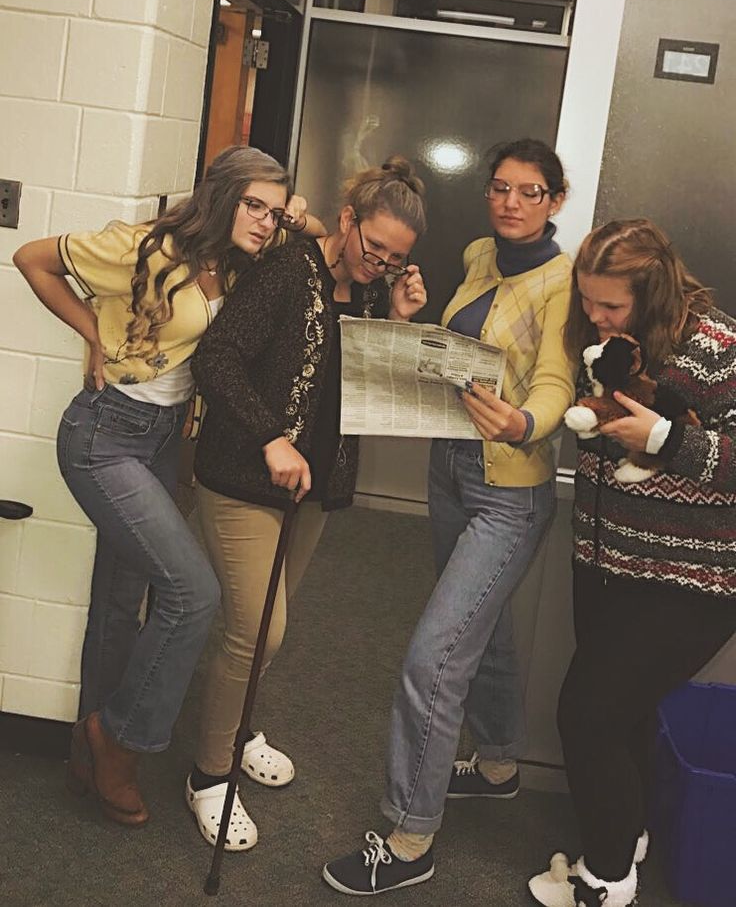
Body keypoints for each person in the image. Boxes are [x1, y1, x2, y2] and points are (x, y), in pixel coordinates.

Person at [12, 145, 321, 827]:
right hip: (105, 434)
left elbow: (318, 230)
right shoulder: (144, 247)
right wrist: (92, 331)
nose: (267, 222)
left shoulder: (243, 258)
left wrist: (295, 212)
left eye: (274, 211)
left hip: (163, 438)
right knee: (192, 592)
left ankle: (85, 748)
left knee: (124, 599)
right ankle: (120, 739)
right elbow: (31, 258)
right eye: (255, 206)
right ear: (221, 197)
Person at [323, 139, 576, 895]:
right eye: (501, 187)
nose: (509, 202)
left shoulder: (563, 282)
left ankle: (408, 838)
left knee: (434, 658)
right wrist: (412, 316)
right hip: (451, 466)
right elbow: (460, 344)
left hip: (510, 483)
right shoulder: (478, 255)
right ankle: (497, 764)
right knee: (484, 628)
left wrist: (525, 425)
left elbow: (558, 377)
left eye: (530, 191)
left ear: (555, 201)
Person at [186, 157, 428, 851]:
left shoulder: (375, 293)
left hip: (313, 485)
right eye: (371, 247)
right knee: (257, 630)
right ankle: (208, 773)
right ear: (346, 220)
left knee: (268, 625)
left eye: (395, 258)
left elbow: (377, 396)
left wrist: (400, 320)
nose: (379, 263)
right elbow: (218, 358)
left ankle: (238, 728)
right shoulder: (289, 269)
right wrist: (270, 438)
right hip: (244, 476)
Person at [528, 219, 736, 907]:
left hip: (690, 581)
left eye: (612, 305)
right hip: (604, 560)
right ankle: (628, 837)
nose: (595, 316)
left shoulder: (718, 349)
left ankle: (606, 883)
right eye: (589, 300)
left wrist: (666, 438)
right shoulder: (601, 338)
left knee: (586, 717)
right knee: (625, 715)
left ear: (654, 295)